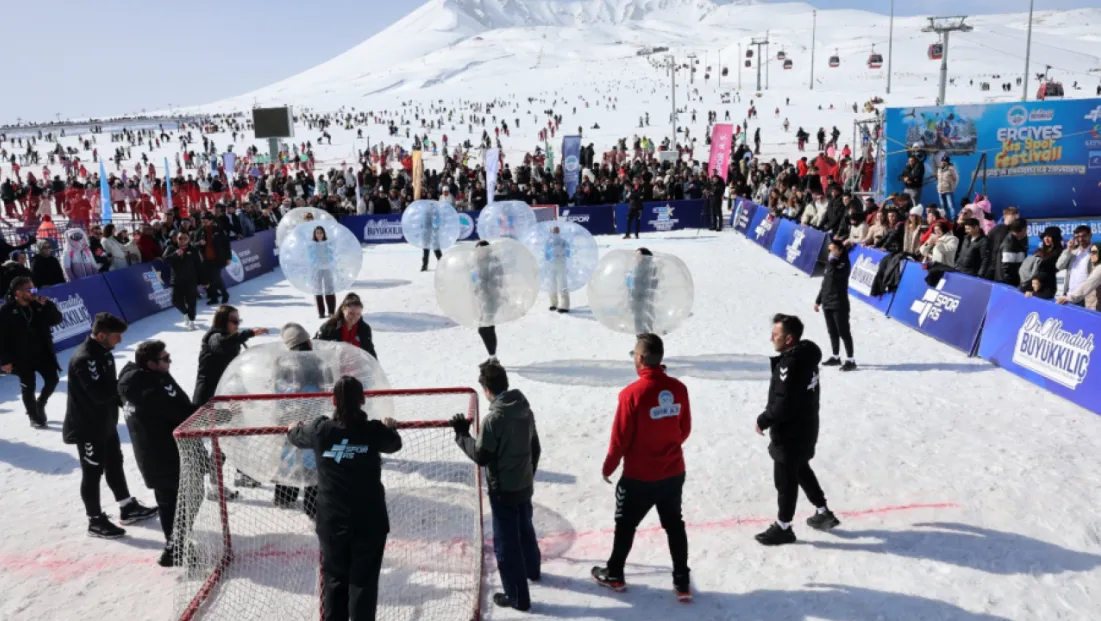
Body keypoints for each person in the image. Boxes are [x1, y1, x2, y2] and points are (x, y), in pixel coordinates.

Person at [287, 376, 402, 621]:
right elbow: (394, 443)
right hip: (368, 522)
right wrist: (390, 426)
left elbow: (297, 437)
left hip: (333, 522)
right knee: (363, 584)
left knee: (335, 581)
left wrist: (292, 428)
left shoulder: (321, 430)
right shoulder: (373, 430)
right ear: (362, 400)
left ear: (333, 401)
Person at [592, 333, 692, 601]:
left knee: (625, 525)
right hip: (672, 473)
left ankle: (614, 574)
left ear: (640, 358)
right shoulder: (679, 389)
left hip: (639, 478)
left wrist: (608, 467)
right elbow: (684, 430)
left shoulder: (631, 395)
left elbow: (619, 439)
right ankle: (682, 581)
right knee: (674, 525)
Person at [451, 359, 542, 611]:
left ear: (487, 390)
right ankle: (533, 570)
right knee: (525, 528)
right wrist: (528, 474)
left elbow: (482, 455)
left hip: (504, 490)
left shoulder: (494, 419)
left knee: (506, 543)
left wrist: (462, 436)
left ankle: (517, 597)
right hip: (524, 484)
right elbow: (536, 448)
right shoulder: (525, 408)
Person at [62, 312, 159, 538]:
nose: (120, 341)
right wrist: (127, 382)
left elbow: (112, 392)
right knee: (92, 471)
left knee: (115, 463)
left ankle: (127, 506)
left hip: (105, 423)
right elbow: (99, 394)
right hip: (87, 428)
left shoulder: (104, 352)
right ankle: (94, 520)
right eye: (117, 336)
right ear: (102, 335)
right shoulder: (84, 359)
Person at [754, 314, 839, 546]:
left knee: (785, 481)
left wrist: (763, 419)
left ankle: (784, 528)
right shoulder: (806, 355)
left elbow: (783, 402)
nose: (771, 339)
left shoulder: (790, 365)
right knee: (800, 467)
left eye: (776, 335)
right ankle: (823, 511)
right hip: (807, 427)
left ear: (789, 339)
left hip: (790, 433)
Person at [118, 340, 198, 566]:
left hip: (163, 453)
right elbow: (180, 413)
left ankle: (177, 544)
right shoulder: (148, 388)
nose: (170, 361)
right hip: (161, 456)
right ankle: (174, 549)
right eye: (165, 358)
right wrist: (219, 416)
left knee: (177, 499)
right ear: (151, 364)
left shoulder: (150, 379)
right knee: (174, 501)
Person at [272, 323, 327, 516]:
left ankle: (284, 496)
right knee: (311, 458)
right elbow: (324, 388)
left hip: (290, 418)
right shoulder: (317, 362)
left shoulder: (281, 364)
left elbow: (277, 391)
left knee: (288, 457)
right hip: (311, 417)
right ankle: (312, 506)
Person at [0, 276, 62, 427]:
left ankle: (40, 403)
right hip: (21, 357)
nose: (34, 292)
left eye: (34, 289)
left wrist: (47, 305)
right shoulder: (6, 311)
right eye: (30, 290)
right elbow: (1, 338)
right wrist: (5, 360)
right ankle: (33, 416)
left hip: (42, 353)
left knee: (53, 380)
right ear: (18, 293)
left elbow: (57, 320)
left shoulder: (37, 305)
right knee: (28, 387)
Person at [192, 305, 270, 408]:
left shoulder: (232, 338)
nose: (237, 325)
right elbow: (223, 343)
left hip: (226, 390)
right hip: (208, 395)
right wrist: (248, 334)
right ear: (223, 321)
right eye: (235, 321)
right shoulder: (214, 336)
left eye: (238, 320)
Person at [814, 240, 855, 370]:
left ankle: (850, 360)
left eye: (833, 250)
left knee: (843, 332)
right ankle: (835, 357)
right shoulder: (830, 263)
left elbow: (833, 275)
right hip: (827, 302)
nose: (830, 252)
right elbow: (825, 283)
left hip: (839, 303)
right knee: (832, 331)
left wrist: (832, 262)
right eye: (829, 250)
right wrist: (818, 300)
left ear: (840, 250)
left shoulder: (843, 264)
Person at [315, 294, 378, 360]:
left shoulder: (364, 329)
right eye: (351, 313)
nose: (354, 317)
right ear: (343, 310)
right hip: (334, 367)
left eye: (358, 314)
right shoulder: (329, 328)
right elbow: (316, 347)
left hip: (357, 367)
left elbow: (370, 351)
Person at [164, 231, 203, 330]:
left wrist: (203, 280)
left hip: (190, 280)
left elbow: (199, 265)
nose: (182, 240)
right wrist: (175, 254)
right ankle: (185, 313)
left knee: (191, 302)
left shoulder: (193, 249)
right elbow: (165, 260)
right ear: (176, 239)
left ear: (189, 239)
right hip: (176, 280)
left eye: (185, 238)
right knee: (175, 300)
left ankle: (192, 320)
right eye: (180, 238)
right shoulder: (171, 248)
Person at [473, 240, 502, 361]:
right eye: (478, 250)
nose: (480, 252)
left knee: (484, 329)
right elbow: (476, 278)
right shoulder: (478, 262)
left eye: (482, 250)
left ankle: (493, 357)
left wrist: (484, 286)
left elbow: (497, 280)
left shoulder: (493, 263)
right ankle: (492, 357)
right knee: (489, 328)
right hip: (483, 299)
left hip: (491, 299)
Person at [198, 213, 231, 305]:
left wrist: (229, 257)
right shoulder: (200, 231)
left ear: (211, 221)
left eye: (206, 221)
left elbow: (226, 244)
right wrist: (199, 243)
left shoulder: (218, 230)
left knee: (216, 278)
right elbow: (193, 243)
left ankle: (224, 294)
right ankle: (214, 298)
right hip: (206, 259)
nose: (204, 223)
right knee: (211, 279)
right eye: (202, 221)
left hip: (217, 259)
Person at [309, 226, 338, 319]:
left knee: (329, 289)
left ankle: (331, 311)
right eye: (317, 233)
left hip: (327, 268)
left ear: (324, 234)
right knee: (318, 290)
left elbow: (333, 255)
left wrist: (333, 265)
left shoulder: (328, 244)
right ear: (314, 234)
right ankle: (321, 312)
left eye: (321, 233)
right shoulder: (312, 245)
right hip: (317, 269)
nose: (319, 235)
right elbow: (310, 257)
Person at [628, 248, 658, 335]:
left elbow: (651, 285)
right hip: (636, 300)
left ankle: (646, 344)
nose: (636, 257)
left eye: (638, 255)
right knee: (638, 326)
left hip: (644, 302)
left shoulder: (650, 269)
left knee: (645, 326)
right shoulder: (636, 268)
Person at [545, 226, 570, 313]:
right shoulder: (549, 242)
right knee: (552, 284)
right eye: (554, 230)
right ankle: (553, 303)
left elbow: (568, 253)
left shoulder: (563, 241)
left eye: (557, 230)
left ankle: (564, 305)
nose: (556, 232)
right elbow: (546, 254)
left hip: (561, 263)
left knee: (562, 283)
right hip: (552, 264)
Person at [420, 202, 444, 272]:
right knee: (426, 249)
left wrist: (435, 229)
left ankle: (442, 264)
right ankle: (424, 265)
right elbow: (423, 223)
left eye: (432, 205)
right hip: (427, 233)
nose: (430, 207)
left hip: (434, 232)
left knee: (436, 248)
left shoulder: (436, 213)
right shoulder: (425, 213)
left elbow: (437, 223)